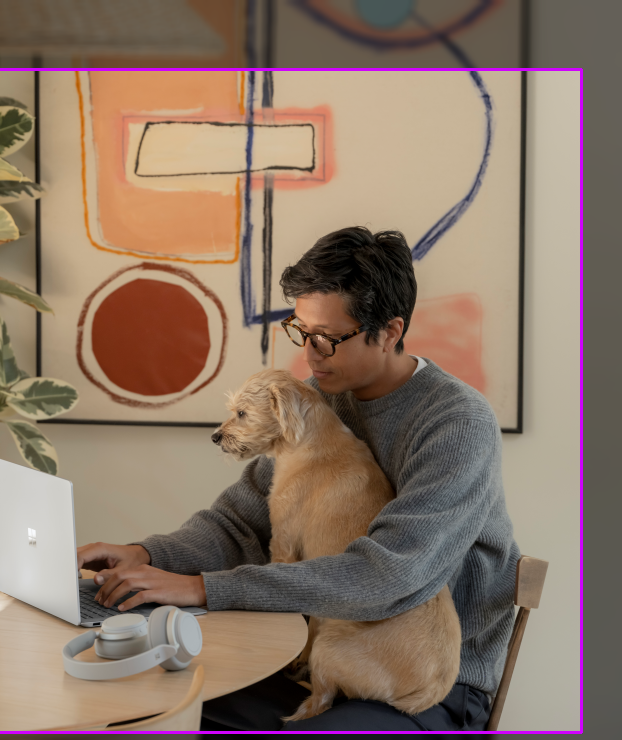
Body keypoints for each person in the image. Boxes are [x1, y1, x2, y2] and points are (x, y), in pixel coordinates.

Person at [76, 226, 519, 732]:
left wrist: (205, 589)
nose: (310, 354)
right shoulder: (315, 401)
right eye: (301, 330)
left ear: (391, 331)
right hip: (311, 659)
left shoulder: (457, 424)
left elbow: (391, 576)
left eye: (328, 338)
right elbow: (240, 523)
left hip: (423, 684)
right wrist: (150, 556)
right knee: (147, 702)